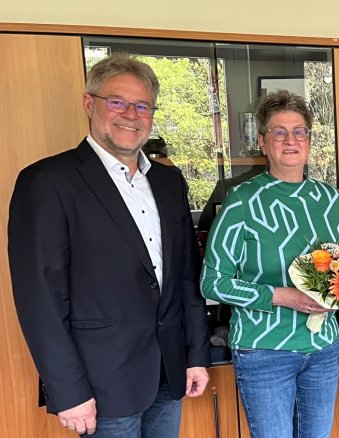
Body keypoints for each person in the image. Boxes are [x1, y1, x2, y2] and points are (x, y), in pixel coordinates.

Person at [7, 53, 210, 437]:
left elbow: (186, 277)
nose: (130, 115)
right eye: (117, 102)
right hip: (101, 386)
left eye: (142, 106)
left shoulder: (168, 183)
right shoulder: (48, 182)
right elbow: (40, 299)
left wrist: (195, 354)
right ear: (89, 104)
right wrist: (67, 390)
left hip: (169, 374)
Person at [200, 90, 339, 438]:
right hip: (265, 351)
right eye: (279, 132)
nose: (291, 140)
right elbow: (213, 281)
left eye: (299, 131)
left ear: (310, 141)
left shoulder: (330, 200)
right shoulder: (241, 201)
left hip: (323, 348)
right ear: (264, 143)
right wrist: (282, 296)